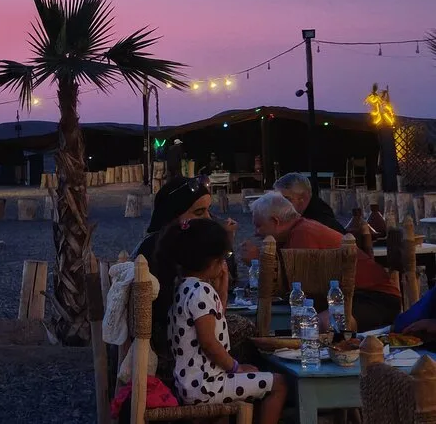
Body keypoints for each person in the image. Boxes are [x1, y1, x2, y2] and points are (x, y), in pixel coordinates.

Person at [132, 175, 256, 388]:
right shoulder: (168, 249)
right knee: (246, 328)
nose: (208, 218)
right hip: (169, 342)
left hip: (174, 331)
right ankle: (232, 383)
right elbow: (202, 312)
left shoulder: (162, 242)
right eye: (199, 212)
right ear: (174, 215)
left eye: (208, 210)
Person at [157, 218, 287, 422]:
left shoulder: (183, 287)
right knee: (279, 383)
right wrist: (236, 368)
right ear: (213, 261)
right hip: (207, 386)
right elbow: (209, 343)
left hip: (191, 384)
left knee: (257, 374)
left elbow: (215, 318)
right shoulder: (201, 291)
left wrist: (222, 290)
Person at [246, 192, 401, 332]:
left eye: (258, 226)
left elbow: (299, 285)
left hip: (374, 299)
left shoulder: (303, 233)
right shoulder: (294, 232)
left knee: (321, 324)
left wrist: (259, 260)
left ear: (276, 221)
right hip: (348, 297)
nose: (256, 232)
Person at [273, 172, 345, 234]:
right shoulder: (308, 216)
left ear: (303, 197)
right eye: (278, 199)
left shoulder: (318, 223)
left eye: (286, 199)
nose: (280, 204)